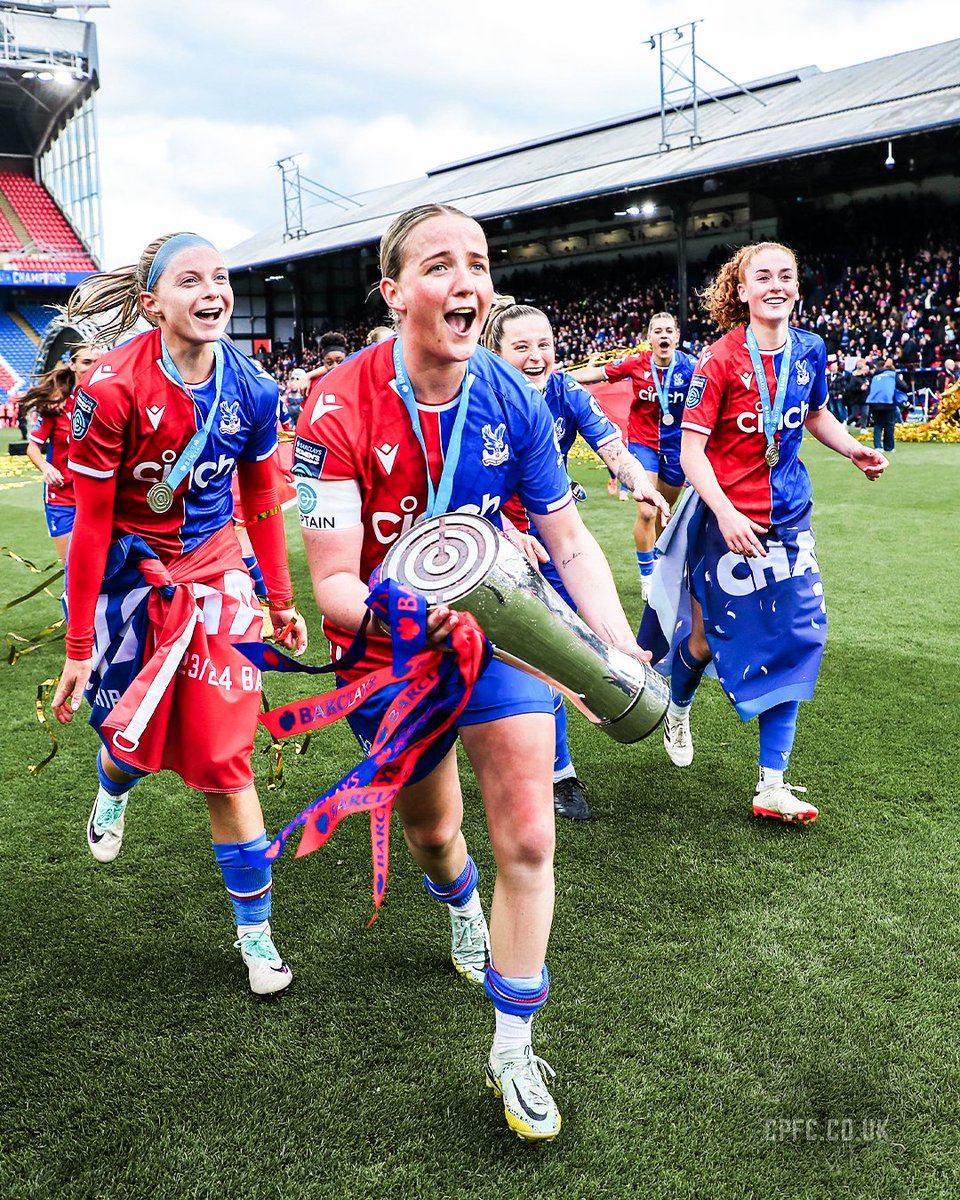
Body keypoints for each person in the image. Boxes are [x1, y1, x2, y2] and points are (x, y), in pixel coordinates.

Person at [294, 203, 646, 1141]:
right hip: (388, 658)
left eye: (479, 264)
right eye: (440, 265)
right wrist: (417, 617)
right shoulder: (333, 404)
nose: (467, 282)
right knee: (434, 835)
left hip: (500, 638)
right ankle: (456, 908)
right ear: (395, 291)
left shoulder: (512, 395)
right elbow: (332, 586)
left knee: (529, 835)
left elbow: (567, 538)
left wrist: (610, 642)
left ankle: (513, 1046)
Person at [50, 232, 308, 997]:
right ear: (151, 302)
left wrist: (280, 600)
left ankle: (257, 939)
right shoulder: (110, 386)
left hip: (217, 572)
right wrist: (74, 644)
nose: (212, 291)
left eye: (221, 277)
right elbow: (92, 522)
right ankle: (115, 783)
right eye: (190, 279)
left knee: (226, 763)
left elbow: (260, 498)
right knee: (131, 741)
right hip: (133, 578)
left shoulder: (255, 389)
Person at [654, 241, 887, 824]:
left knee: (797, 636)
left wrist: (853, 448)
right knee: (708, 641)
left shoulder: (810, 349)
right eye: (763, 276)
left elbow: (812, 413)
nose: (776, 285)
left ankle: (772, 784)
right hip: (726, 524)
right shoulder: (718, 361)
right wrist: (726, 513)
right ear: (742, 289)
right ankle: (677, 704)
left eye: (787, 275)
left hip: (789, 519)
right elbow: (691, 453)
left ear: (798, 287)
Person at [482, 295, 669, 822]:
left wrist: (639, 485)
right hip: (494, 546)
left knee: (570, 652)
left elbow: (610, 446)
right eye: (521, 347)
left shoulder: (565, 391)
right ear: (494, 352)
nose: (536, 355)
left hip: (555, 536)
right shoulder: (480, 397)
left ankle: (557, 770)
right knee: (527, 662)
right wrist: (500, 529)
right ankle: (556, 771)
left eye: (545, 344)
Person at [571, 313, 697, 602]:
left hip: (677, 449)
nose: (663, 335)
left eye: (669, 331)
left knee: (664, 514)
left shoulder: (690, 367)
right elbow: (599, 373)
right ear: (649, 338)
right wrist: (557, 376)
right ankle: (648, 577)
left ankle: (662, 564)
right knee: (646, 511)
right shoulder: (637, 364)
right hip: (643, 445)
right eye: (657, 331)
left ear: (676, 337)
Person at [23, 343, 102, 563]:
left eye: (97, 362)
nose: (93, 367)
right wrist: (46, 467)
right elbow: (33, 447)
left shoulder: (112, 403)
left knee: (102, 568)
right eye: (86, 362)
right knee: (72, 566)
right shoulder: (56, 406)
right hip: (63, 498)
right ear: (72, 365)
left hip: (100, 497)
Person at [865, 358, 907, 453]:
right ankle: (889, 447)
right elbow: (904, 387)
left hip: (874, 402)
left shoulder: (875, 376)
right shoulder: (892, 375)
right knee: (889, 425)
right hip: (887, 402)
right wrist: (901, 380)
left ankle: (878, 446)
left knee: (878, 424)